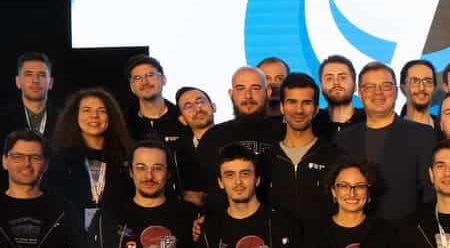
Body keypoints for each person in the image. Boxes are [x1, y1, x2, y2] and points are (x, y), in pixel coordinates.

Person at [334, 62, 437, 222]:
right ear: (360, 93)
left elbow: (430, 194)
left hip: (406, 231)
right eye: (370, 87)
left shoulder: (422, 135)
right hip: (357, 232)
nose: (378, 93)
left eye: (386, 86)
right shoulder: (343, 139)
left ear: (396, 92)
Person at [192, 67, 286, 212]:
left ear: (268, 92)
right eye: (240, 88)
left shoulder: (285, 133)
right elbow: (199, 192)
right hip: (222, 222)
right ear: (231, 94)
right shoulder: (213, 136)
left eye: (255, 88)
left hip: (275, 220)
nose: (248, 96)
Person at [0, 53, 58, 203]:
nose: (35, 80)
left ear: (51, 83)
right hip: (7, 208)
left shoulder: (65, 120)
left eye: (42, 75)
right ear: (18, 81)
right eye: (29, 74)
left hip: (55, 209)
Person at [49, 88, 134, 230]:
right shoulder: (60, 160)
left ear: (111, 116)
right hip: (72, 235)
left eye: (101, 111)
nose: (94, 116)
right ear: (75, 116)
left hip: (116, 234)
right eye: (86, 110)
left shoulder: (125, 159)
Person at [268, 72, 346, 224]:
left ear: (316, 109)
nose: (299, 110)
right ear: (282, 107)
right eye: (292, 102)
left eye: (306, 103)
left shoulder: (335, 158)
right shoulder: (267, 159)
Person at [122, 54, 199, 203]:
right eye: (137, 78)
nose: (144, 82)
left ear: (163, 79)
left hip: (183, 206)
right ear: (131, 86)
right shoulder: (124, 124)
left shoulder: (184, 118)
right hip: (137, 204)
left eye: (150, 75)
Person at [313, 54, 364, 138]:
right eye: (329, 78)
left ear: (355, 86)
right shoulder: (311, 123)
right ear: (321, 88)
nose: (336, 82)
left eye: (342, 77)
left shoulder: (371, 120)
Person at [401, 59, 438, 127]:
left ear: (434, 88)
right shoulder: (391, 130)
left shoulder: (446, 129)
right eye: (414, 81)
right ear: (403, 88)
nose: (421, 88)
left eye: (428, 82)